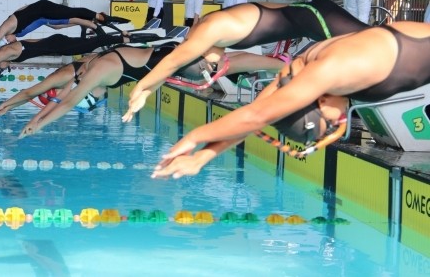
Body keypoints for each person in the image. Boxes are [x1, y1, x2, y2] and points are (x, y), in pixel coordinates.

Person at [150, 21, 430, 179]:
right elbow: (258, 113)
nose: (343, 118)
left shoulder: (331, 71)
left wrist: (194, 138)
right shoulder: (299, 70)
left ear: (318, 103)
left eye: (333, 125)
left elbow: (254, 117)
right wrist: (202, 157)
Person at [122, 0, 370, 121]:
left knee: (374, 47)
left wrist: (142, 89)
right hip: (312, 17)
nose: (220, 65)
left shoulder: (208, 32)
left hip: (316, 18)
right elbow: (247, 61)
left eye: (212, 68)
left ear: (200, 59)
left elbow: (173, 61)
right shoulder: (216, 41)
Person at [17, 42, 225, 138]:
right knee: (222, 60)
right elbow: (64, 99)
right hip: (167, 59)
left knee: (219, 58)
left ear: (92, 91)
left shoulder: (99, 72)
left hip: (172, 59)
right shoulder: (95, 68)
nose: (99, 99)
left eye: (93, 101)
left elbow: (68, 101)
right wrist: (35, 121)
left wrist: (39, 125)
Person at [0, 32, 160, 98]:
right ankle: (130, 41)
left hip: (59, 45)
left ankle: (138, 39)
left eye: (3, 69)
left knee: (96, 43)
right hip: (56, 45)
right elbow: (10, 41)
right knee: (97, 48)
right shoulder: (8, 52)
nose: (7, 68)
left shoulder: (5, 53)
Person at [0, 0, 130, 64]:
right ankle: (94, 24)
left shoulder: (8, 26)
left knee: (71, 13)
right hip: (47, 18)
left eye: (8, 41)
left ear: (6, 37)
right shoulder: (17, 35)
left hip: (44, 8)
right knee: (70, 19)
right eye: (9, 43)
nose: (11, 42)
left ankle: (101, 19)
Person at [0, 53, 101, 118]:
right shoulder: (64, 83)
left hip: (105, 61)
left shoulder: (57, 79)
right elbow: (30, 95)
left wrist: (4, 105)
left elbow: (28, 93)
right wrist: (8, 108)